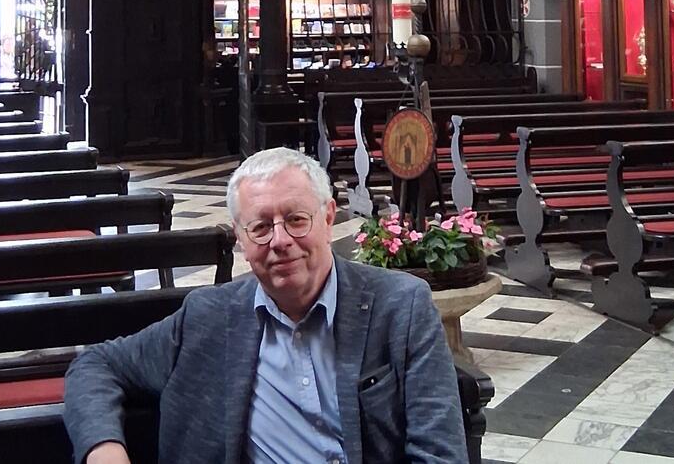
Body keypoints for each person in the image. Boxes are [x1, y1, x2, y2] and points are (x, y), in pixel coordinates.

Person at [63, 147, 468, 464]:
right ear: (240, 238)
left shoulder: (401, 308)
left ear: (328, 218)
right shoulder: (208, 316)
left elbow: (439, 453)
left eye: (296, 220)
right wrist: (104, 449)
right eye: (260, 227)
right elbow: (96, 365)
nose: (279, 240)